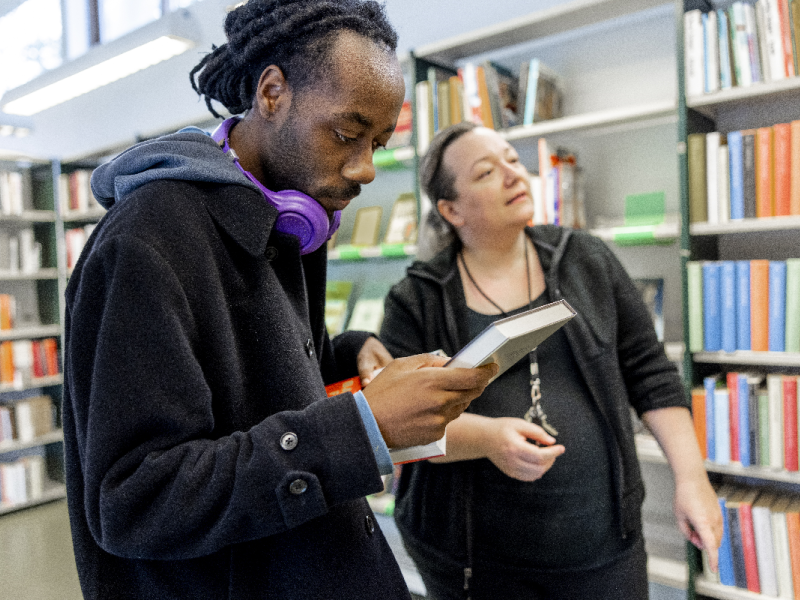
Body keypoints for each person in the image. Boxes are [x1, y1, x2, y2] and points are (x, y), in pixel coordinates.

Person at [61, 3, 496, 599]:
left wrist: (346, 354)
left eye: (378, 142)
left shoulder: (287, 218)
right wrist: (362, 428)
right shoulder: (146, 240)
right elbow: (136, 499)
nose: (365, 168)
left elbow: (249, 380)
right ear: (271, 92)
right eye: (347, 134)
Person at [379, 122, 723, 600]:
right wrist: (489, 438)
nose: (512, 174)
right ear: (451, 209)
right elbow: (399, 428)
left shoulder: (586, 258)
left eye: (513, 161)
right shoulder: (415, 299)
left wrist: (692, 478)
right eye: (486, 172)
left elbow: (650, 371)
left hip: (605, 549)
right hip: (473, 566)